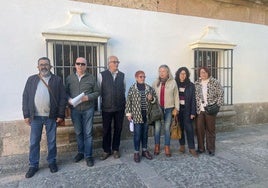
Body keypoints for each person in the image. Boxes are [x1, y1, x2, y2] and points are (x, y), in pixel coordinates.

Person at [22, 57, 66, 178]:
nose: (44, 67)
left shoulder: (57, 80)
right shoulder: (31, 80)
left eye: (46, 64)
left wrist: (61, 114)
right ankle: (33, 165)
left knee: (51, 141)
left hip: (51, 116)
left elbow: (62, 98)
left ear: (50, 66)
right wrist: (26, 115)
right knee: (34, 142)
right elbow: (25, 97)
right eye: (41, 65)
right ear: (38, 67)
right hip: (35, 117)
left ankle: (52, 162)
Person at [65, 57, 100, 167]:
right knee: (78, 132)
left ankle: (88, 156)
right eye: (78, 63)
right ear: (75, 65)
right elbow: (65, 92)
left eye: (83, 64)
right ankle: (81, 152)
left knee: (88, 133)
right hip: (75, 110)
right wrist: (69, 99)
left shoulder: (92, 78)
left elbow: (97, 92)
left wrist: (88, 97)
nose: (80, 66)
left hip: (88, 109)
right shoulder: (69, 78)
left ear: (86, 66)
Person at [99, 55, 126, 160]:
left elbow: (123, 90)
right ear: (109, 63)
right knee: (106, 130)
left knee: (118, 129)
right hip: (106, 108)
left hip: (119, 108)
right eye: (114, 62)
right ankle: (106, 150)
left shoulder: (122, 76)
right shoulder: (102, 75)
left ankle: (115, 149)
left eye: (117, 62)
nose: (116, 64)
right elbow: (99, 92)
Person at [126, 70, 156, 162]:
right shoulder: (132, 88)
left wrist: (152, 99)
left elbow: (155, 100)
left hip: (146, 115)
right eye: (140, 76)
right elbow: (128, 102)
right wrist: (128, 114)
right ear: (136, 77)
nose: (143, 78)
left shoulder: (149, 88)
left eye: (144, 76)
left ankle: (144, 150)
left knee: (145, 134)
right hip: (137, 116)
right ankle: (136, 152)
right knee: (137, 135)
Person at [195, 67, 224, 156]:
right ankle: (201, 148)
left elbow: (221, 94)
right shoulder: (197, 83)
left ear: (208, 73)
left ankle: (211, 149)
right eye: (201, 72)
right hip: (200, 110)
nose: (203, 74)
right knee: (199, 130)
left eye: (204, 72)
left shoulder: (214, 82)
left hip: (210, 110)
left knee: (210, 130)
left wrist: (217, 105)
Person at [152, 65, 180, 157]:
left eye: (163, 71)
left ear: (168, 72)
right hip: (158, 109)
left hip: (169, 109)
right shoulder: (156, 82)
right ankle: (157, 146)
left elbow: (176, 96)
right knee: (157, 128)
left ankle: (167, 147)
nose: (161, 73)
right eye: (160, 71)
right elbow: (152, 95)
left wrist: (176, 108)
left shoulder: (173, 82)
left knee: (167, 128)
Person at [175, 67, 198, 157]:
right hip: (178, 110)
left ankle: (192, 148)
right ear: (178, 74)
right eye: (181, 73)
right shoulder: (175, 84)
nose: (183, 75)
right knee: (180, 128)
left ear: (187, 75)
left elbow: (193, 99)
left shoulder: (190, 85)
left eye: (184, 73)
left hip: (187, 110)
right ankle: (182, 145)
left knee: (189, 129)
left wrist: (193, 112)